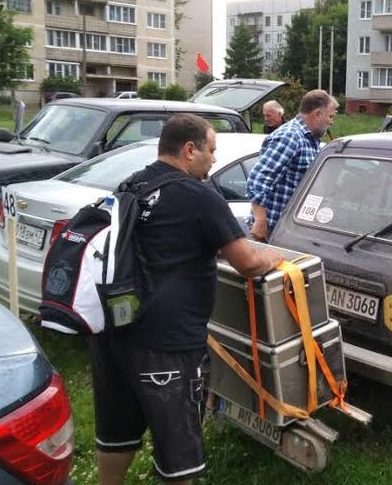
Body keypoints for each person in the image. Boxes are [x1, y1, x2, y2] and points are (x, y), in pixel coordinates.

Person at [90, 114, 283, 485]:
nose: (214, 159)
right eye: (211, 150)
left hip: (114, 330)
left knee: (116, 428)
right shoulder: (199, 196)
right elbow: (247, 262)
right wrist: (273, 257)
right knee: (178, 443)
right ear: (190, 150)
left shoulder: (131, 184)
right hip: (167, 344)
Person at [246, 89, 338, 241]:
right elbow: (259, 179)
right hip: (274, 232)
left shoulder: (309, 139)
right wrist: (261, 221)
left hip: (292, 231)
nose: (331, 122)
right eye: (330, 116)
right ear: (317, 114)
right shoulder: (291, 136)